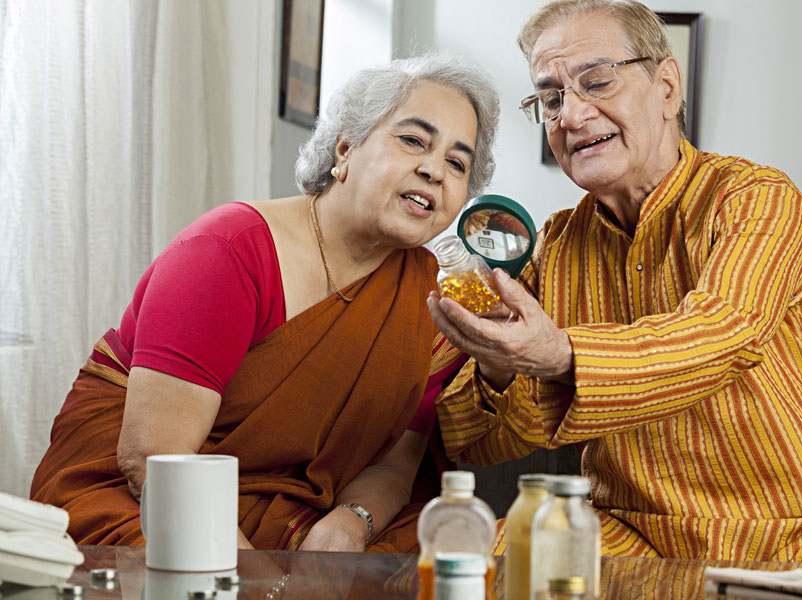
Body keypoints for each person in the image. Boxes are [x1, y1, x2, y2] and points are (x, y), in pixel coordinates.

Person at [427, 0, 802, 564]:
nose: (572, 116)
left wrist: (559, 354)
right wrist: (500, 364)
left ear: (668, 88)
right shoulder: (554, 248)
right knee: (475, 561)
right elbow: (479, 443)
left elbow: (723, 333)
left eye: (596, 82)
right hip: (635, 536)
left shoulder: (756, 198)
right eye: (550, 99)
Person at [31, 51, 500, 552]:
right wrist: (244, 574)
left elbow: (392, 466)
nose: (434, 170)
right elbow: (153, 458)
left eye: (457, 162)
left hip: (300, 508)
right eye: (412, 141)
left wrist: (350, 523)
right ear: (345, 148)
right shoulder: (228, 251)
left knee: (456, 550)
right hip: (145, 496)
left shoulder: (433, 296)